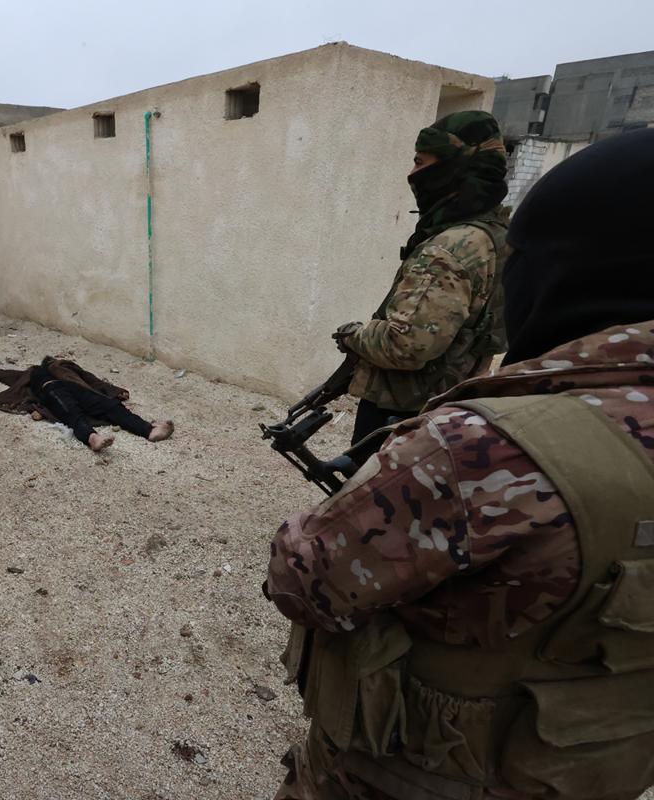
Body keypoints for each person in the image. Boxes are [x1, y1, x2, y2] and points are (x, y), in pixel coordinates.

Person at [265, 128, 654, 800]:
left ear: (564, 270)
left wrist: (354, 337)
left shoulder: (481, 451)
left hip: (426, 769)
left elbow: (304, 583)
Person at [333, 111, 509, 444]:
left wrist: (352, 335)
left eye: (420, 162)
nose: (413, 174)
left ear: (452, 168)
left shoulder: (449, 248)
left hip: (402, 414)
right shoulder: (495, 235)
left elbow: (405, 346)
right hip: (451, 407)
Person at [0, 356, 173, 451]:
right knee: (71, 413)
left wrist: (114, 391)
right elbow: (6, 374)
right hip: (51, 390)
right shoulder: (33, 372)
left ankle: (149, 430)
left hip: (77, 388)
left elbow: (92, 379)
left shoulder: (67, 367)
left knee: (110, 406)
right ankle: (92, 438)